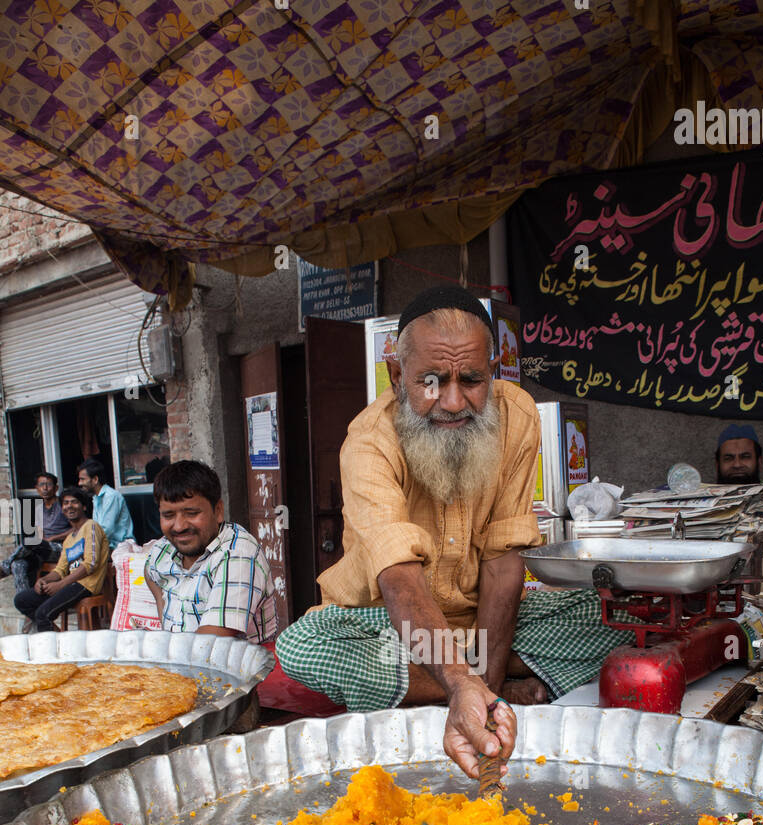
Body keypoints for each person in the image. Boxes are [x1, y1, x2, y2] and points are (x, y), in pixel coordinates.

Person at [274, 286, 632, 780]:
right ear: (397, 376)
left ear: (493, 371)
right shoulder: (369, 443)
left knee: (622, 615)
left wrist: (475, 679)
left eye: (471, 379)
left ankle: (472, 684)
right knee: (305, 646)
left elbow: (505, 564)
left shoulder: (517, 416)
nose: (453, 400)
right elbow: (399, 578)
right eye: (431, 380)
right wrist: (466, 681)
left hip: (483, 630)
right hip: (385, 627)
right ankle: (493, 684)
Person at [144, 460, 277, 641]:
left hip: (237, 667)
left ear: (218, 511)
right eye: (168, 515)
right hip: (182, 663)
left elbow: (207, 645)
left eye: (191, 513)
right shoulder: (162, 550)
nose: (179, 526)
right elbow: (150, 573)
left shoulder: (237, 553)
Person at [14, 487, 108, 632]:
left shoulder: (91, 526)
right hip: (70, 584)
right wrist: (45, 580)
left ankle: (56, 650)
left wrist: (61, 584)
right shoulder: (69, 540)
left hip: (86, 585)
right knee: (22, 600)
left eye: (74, 502)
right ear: (62, 509)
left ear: (83, 506)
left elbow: (90, 564)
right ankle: (58, 635)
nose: (69, 506)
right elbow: (60, 569)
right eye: (65, 503)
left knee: (43, 614)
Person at [0, 472, 70, 593]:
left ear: (56, 488)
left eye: (48, 484)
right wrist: (41, 541)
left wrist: (54, 538)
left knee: (30, 541)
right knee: (17, 564)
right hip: (43, 549)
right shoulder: (38, 509)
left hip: (62, 548)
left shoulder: (65, 505)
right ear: (37, 488)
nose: (45, 488)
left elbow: (78, 528)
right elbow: (39, 532)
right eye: (41, 485)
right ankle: (24, 601)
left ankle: (4, 567)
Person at [77, 460, 135, 549]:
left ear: (95, 479)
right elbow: (96, 529)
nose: (79, 483)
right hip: (105, 546)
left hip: (120, 547)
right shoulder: (96, 498)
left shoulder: (111, 496)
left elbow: (106, 530)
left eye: (83, 479)